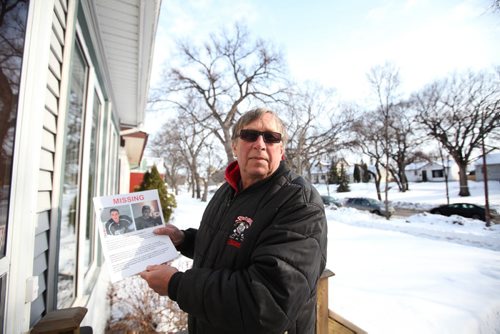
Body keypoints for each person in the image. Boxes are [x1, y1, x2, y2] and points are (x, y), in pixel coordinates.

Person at [140, 108, 327, 334]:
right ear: (234, 146)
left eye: (271, 137)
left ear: (282, 150)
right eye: (249, 135)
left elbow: (268, 301)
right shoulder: (228, 190)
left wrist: (177, 285)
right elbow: (230, 243)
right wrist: (184, 239)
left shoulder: (299, 202)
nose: (260, 143)